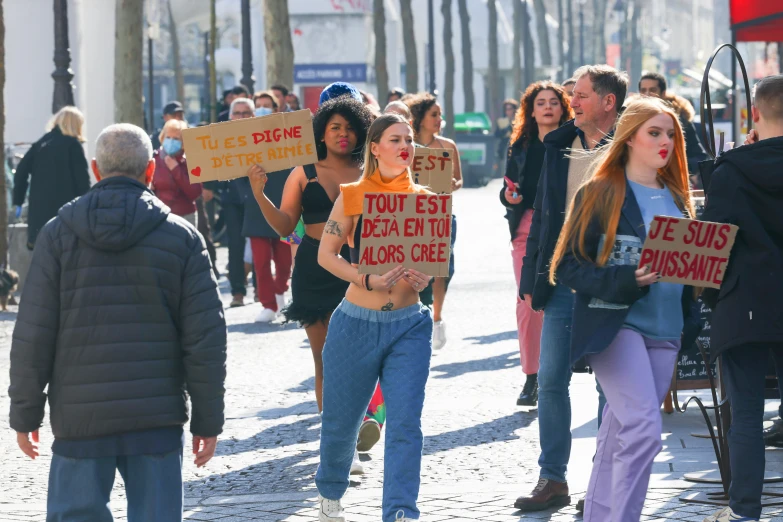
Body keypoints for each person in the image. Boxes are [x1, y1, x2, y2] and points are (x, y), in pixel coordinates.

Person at [9, 123, 226, 521]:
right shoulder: (183, 238)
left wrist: (25, 412)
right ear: (150, 170)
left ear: (95, 168)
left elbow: (32, 334)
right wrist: (207, 418)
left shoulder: (57, 236)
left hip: (80, 419)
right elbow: (206, 340)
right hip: (157, 416)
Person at [550, 96, 700, 522]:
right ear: (630, 137)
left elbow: (688, 272)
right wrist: (625, 279)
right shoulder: (601, 191)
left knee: (620, 433)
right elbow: (567, 266)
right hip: (616, 325)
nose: (665, 141)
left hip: (667, 329)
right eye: (654, 132)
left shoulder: (678, 197)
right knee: (644, 431)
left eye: (671, 133)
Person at [514, 65, 627, 511]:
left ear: (607, 102)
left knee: (607, 385)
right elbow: (544, 213)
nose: (570, 102)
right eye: (571, 95)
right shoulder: (558, 144)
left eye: (579, 95)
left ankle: (602, 480)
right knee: (551, 381)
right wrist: (530, 275)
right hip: (560, 279)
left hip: (607, 281)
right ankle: (552, 479)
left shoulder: (628, 144)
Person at [314, 113, 433, 522]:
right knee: (341, 422)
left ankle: (401, 510)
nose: (405, 146)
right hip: (356, 324)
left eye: (410, 139)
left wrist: (425, 275)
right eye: (395, 139)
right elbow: (325, 254)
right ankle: (330, 493)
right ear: (376, 147)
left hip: (410, 326)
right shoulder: (352, 194)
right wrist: (366, 276)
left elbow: (435, 259)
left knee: (405, 424)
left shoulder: (426, 199)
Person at [248, 95, 376, 466]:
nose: (343, 134)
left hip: (359, 270)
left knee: (362, 358)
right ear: (322, 132)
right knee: (325, 360)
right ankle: (340, 443)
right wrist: (259, 193)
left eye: (350, 127)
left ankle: (358, 422)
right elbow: (286, 226)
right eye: (335, 127)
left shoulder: (370, 170)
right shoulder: (303, 171)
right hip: (315, 268)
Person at [700, 75, 783, 522]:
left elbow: (712, 245)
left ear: (755, 114)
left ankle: (745, 511)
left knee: (746, 416)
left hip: (744, 302)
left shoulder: (730, 171)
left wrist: (715, 301)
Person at [501, 82, 573, 407]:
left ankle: (558, 370)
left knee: (562, 297)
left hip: (568, 226)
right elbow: (508, 191)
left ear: (563, 107)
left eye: (553, 102)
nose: (547, 107)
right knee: (527, 298)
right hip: (527, 227)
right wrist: (508, 196)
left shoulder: (575, 142)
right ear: (531, 110)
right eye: (540, 102)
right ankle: (532, 377)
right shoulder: (520, 146)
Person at [406, 92, 463, 350]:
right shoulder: (406, 147)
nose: (439, 119)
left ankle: (436, 318)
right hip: (412, 216)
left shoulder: (448, 146)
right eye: (434, 115)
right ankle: (418, 314)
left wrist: (453, 184)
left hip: (442, 214)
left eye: (440, 115)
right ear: (420, 118)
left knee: (442, 270)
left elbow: (459, 180)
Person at [230, 97, 293, 322]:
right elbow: (235, 171)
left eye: (247, 112)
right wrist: (248, 194)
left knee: (285, 260)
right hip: (256, 209)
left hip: (285, 205)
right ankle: (268, 304)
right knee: (261, 260)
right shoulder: (237, 141)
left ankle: (280, 291)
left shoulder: (281, 134)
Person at [13, 106, 90, 249]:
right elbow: (82, 184)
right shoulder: (73, 145)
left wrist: (18, 200)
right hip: (65, 220)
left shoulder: (41, 143)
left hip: (39, 219)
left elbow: (21, 171)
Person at [638, 71, 708, 180]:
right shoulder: (632, 121)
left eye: (652, 90)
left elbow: (699, 156)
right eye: (643, 90)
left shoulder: (679, 121)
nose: (647, 94)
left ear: (663, 93)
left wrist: (674, 168)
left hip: (671, 185)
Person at [152, 118, 202, 227]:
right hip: (161, 216)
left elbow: (195, 192)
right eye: (168, 137)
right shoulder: (155, 158)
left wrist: (176, 169)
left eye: (176, 139)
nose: (171, 141)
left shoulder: (190, 159)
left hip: (186, 217)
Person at [495, 98, 520, 176]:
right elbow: (497, 134)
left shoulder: (519, 121)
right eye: (506, 109)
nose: (508, 111)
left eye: (510, 109)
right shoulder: (502, 121)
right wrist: (505, 130)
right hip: (505, 147)